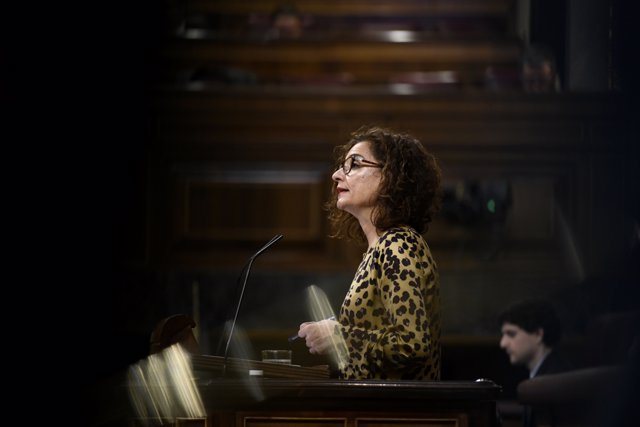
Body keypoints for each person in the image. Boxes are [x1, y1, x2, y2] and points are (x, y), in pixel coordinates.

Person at [295, 125, 443, 380]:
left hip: (396, 414)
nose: (336, 175)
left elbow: (412, 347)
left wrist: (339, 335)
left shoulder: (398, 245)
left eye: (355, 164)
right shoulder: (382, 247)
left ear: (390, 176)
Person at [498, 298, 572, 427]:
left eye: (511, 334)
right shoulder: (545, 374)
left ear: (538, 334)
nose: (503, 343)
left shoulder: (555, 382)